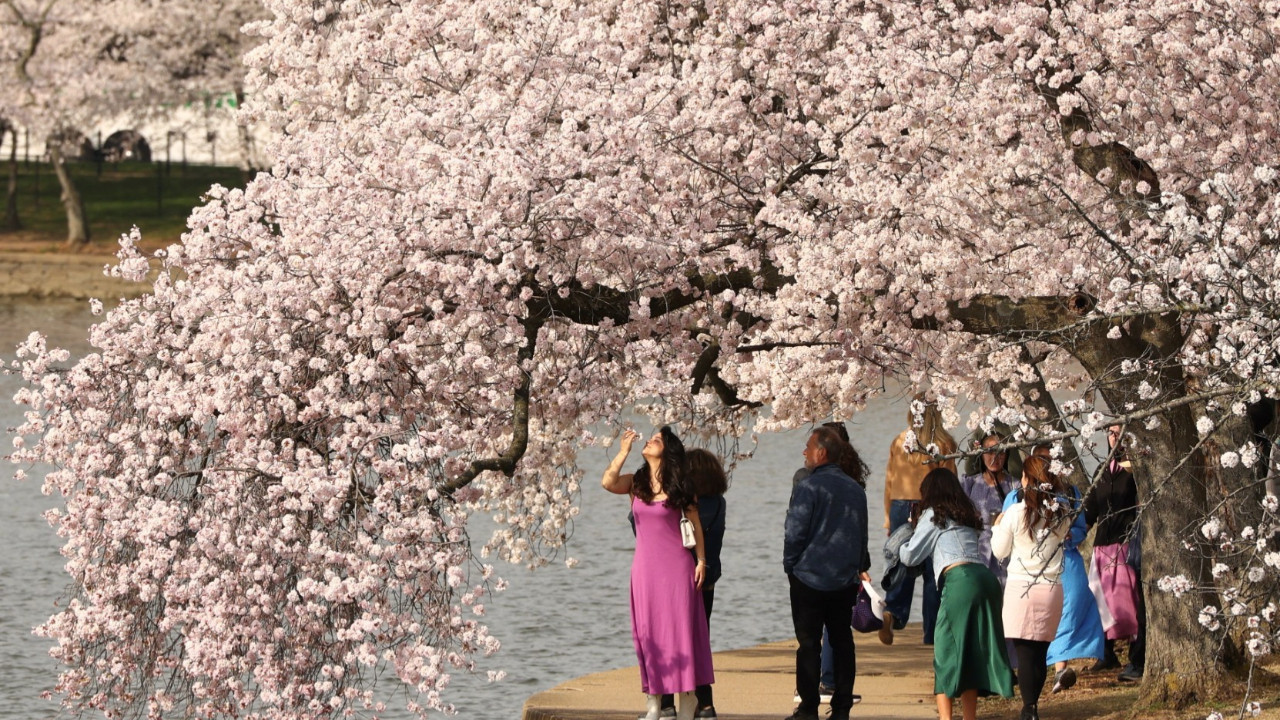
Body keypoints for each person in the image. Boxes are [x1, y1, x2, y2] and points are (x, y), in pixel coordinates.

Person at [603, 426, 714, 720]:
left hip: (678, 568)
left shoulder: (681, 485)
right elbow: (607, 482)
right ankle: (653, 704)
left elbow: (696, 524)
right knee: (649, 632)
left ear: (668, 451)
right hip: (645, 569)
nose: (650, 440)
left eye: (657, 439)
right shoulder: (636, 483)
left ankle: (687, 699)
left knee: (680, 633)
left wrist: (701, 561)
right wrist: (623, 452)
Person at [899, 468, 1014, 720]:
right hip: (985, 580)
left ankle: (945, 718)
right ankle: (969, 718)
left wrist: (902, 537)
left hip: (959, 581)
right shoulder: (966, 514)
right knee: (972, 652)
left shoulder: (932, 515)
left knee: (945, 651)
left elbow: (910, 556)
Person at [784, 427, 871, 720]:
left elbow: (795, 531)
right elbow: (861, 534)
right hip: (843, 577)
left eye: (808, 447)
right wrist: (857, 567)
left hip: (809, 575)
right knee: (842, 640)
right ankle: (842, 707)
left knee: (809, 643)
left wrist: (790, 565)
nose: (804, 452)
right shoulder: (856, 489)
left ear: (821, 452)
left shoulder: (808, 487)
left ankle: (808, 707)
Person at [1004, 447, 1105, 694]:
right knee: (1031, 626)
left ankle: (1060, 667)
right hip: (1028, 569)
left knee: (1070, 611)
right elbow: (1008, 533)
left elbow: (1081, 526)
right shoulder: (1016, 498)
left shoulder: (1069, 493)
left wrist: (1071, 535)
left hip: (1066, 559)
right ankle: (1035, 669)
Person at [992, 455, 1072, 720]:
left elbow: (999, 551)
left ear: (1027, 480)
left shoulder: (1015, 513)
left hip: (1021, 589)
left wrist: (996, 527)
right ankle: (1033, 705)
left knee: (1025, 653)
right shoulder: (1061, 514)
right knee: (1039, 651)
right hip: (1051, 589)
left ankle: (1029, 709)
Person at [881, 395, 957, 645]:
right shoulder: (944, 443)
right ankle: (932, 632)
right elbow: (950, 483)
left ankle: (893, 610)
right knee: (933, 570)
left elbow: (889, 481)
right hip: (930, 505)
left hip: (900, 504)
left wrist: (887, 518)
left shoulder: (899, 441)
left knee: (901, 563)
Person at [658, 448, 728, 720]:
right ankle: (705, 703)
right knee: (699, 641)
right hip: (706, 580)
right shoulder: (719, 503)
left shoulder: (682, 506)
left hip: (678, 580)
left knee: (669, 640)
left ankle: (666, 703)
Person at [1083, 425, 1143, 680]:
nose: (1114, 436)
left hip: (1125, 544)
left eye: (1120, 431)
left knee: (1127, 605)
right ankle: (1106, 654)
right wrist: (1078, 531)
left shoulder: (1136, 470)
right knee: (1099, 601)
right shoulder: (1101, 470)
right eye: (1110, 432)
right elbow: (1091, 508)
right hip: (1102, 545)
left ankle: (1137, 659)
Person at [959, 433, 1018, 585]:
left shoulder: (1014, 485)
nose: (994, 458)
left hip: (1006, 552)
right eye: (989, 452)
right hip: (976, 551)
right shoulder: (970, 483)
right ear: (981, 453)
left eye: (1000, 453)